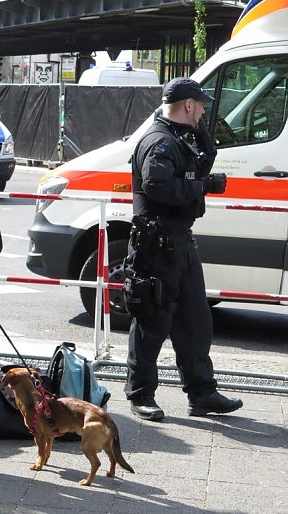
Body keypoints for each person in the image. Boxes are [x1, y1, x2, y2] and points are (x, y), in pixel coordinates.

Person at [125, 77, 243, 421]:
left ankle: (202, 393)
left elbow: (191, 171)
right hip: (158, 246)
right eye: (200, 105)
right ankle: (140, 394)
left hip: (180, 243)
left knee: (195, 322)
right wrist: (203, 185)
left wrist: (206, 143)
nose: (203, 110)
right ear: (188, 105)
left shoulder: (177, 138)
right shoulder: (159, 141)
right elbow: (157, 186)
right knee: (152, 322)